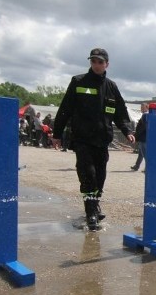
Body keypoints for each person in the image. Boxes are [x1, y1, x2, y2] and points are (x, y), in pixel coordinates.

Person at [53, 48, 135, 231]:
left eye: (100, 62)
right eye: (93, 61)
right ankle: (90, 212)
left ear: (107, 64)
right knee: (87, 174)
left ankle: (95, 204)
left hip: (102, 140)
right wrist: (57, 134)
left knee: (100, 176)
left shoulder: (111, 87)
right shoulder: (78, 82)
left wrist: (127, 130)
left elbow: (120, 113)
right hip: (82, 139)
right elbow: (65, 109)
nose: (96, 65)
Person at [131, 103, 149, 171]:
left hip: (143, 138)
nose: (141, 109)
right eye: (141, 107)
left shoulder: (145, 115)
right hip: (143, 137)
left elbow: (143, 127)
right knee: (141, 153)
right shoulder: (145, 115)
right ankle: (137, 166)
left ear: (147, 108)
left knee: (144, 154)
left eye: (142, 107)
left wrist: (136, 135)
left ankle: (147, 168)